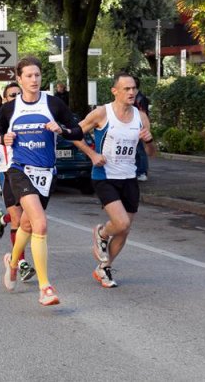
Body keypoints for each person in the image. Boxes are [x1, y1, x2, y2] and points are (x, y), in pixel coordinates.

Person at [0, 56, 84, 306]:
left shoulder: (53, 104)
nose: (34, 80)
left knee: (27, 224)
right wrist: (4, 139)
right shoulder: (10, 108)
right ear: (19, 79)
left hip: (46, 173)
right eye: (29, 76)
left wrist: (61, 130)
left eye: (37, 75)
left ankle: (12, 263)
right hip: (19, 169)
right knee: (40, 224)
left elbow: (77, 131)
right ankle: (45, 287)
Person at [73, 73, 155, 288]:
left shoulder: (140, 116)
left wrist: (149, 141)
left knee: (125, 230)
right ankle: (101, 232)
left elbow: (151, 152)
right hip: (105, 176)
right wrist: (92, 155)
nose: (131, 92)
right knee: (121, 223)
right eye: (126, 89)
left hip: (129, 177)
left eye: (134, 88)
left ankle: (104, 268)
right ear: (115, 91)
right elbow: (74, 134)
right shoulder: (102, 113)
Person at [0, 82, 36, 282]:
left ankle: (3, 219)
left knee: (30, 218)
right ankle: (21, 262)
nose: (16, 97)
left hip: (30, 172)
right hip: (8, 172)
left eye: (19, 93)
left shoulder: (32, 114)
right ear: (5, 98)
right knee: (20, 220)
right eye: (12, 95)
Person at [133, 76, 150, 181]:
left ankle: (142, 172)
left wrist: (144, 128)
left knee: (140, 151)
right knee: (136, 151)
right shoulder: (136, 97)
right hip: (134, 126)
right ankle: (139, 171)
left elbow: (143, 114)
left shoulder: (140, 98)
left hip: (139, 127)